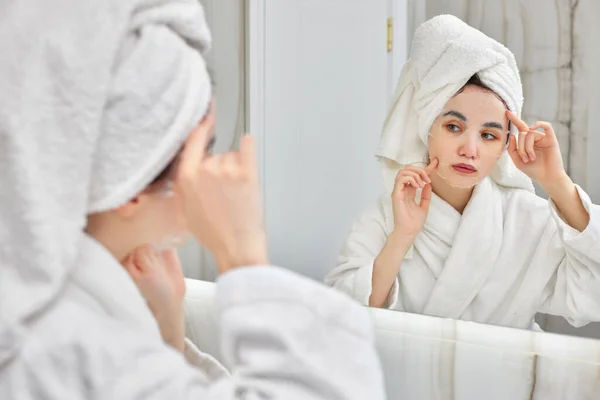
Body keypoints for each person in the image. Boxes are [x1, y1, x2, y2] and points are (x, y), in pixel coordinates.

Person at [0, 1, 385, 399]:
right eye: (204, 149)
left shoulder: (61, 316)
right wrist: (243, 254)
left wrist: (168, 322)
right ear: (131, 182)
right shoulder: (65, 346)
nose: (216, 170)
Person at [325, 15, 600, 331]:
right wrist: (402, 237)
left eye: (488, 135)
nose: (470, 149)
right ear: (428, 129)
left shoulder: (527, 221)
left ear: (503, 146)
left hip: (505, 379)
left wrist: (557, 183)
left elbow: (593, 291)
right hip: (408, 380)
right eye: (453, 127)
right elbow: (341, 317)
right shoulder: (384, 219)